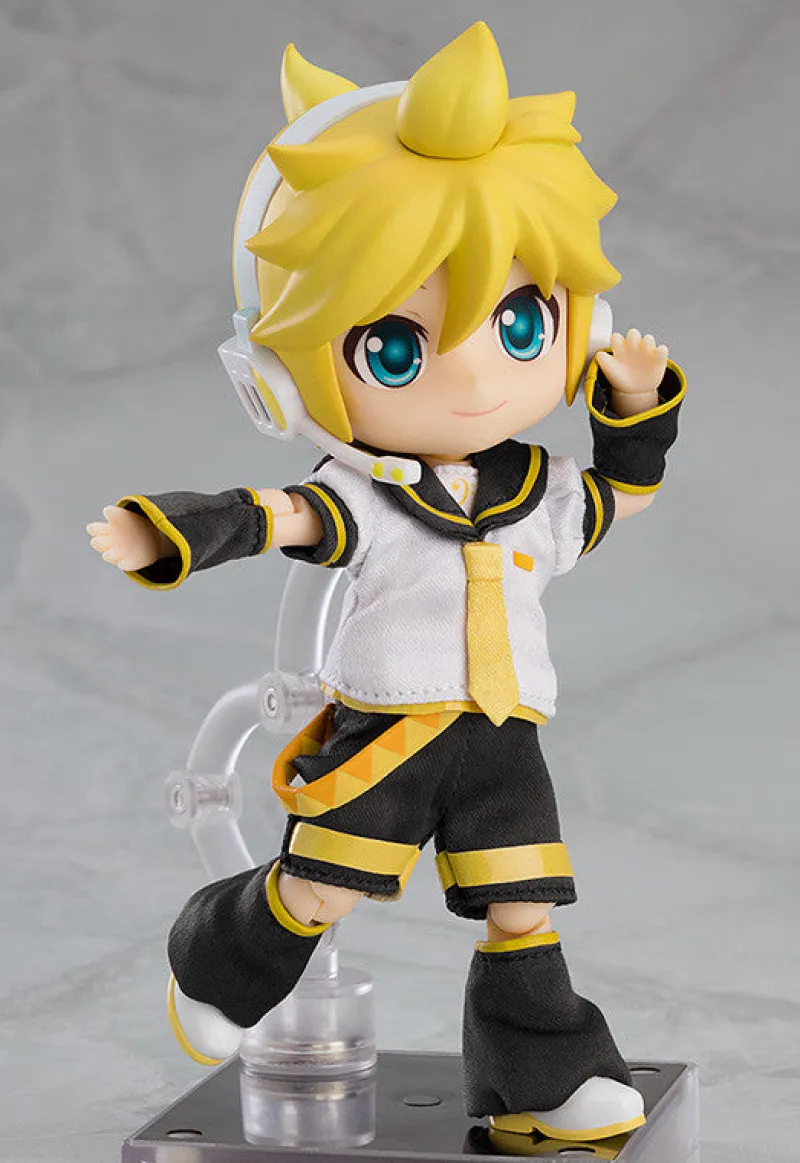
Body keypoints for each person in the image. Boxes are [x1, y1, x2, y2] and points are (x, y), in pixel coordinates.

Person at [87, 23, 685, 1143]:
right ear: (279, 377)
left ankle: (541, 1083)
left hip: (502, 735)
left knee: (524, 908)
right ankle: (215, 967)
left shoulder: (537, 490)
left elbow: (620, 496)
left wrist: (634, 406)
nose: (472, 372)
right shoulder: (366, 495)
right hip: (387, 735)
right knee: (319, 890)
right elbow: (273, 516)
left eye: (518, 322)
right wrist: (166, 532)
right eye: (398, 349)